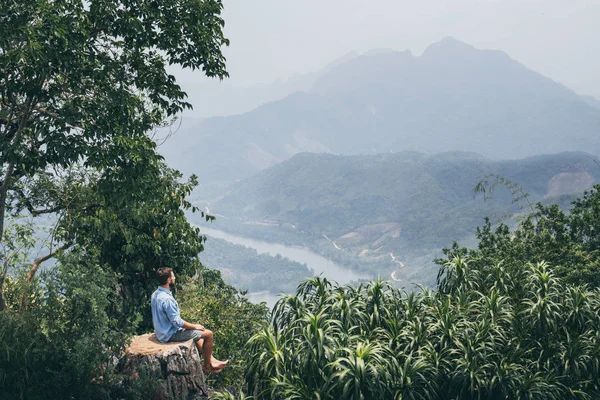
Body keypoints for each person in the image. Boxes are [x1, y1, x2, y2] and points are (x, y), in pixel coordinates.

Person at [151, 267, 228, 373]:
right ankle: (206, 367)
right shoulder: (167, 299)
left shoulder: (156, 294)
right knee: (208, 334)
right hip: (169, 334)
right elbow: (177, 322)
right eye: (173, 276)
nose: (175, 277)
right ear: (168, 280)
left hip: (162, 331)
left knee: (199, 335)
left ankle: (212, 360)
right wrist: (194, 326)